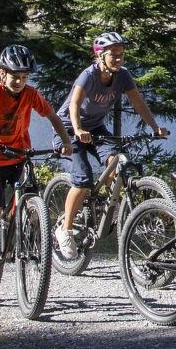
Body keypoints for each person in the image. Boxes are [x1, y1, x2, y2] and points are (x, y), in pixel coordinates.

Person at [55, 30, 167, 259]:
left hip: (96, 129)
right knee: (82, 180)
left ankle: (106, 209)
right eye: (113, 54)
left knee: (116, 164)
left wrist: (155, 127)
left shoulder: (123, 76)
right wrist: (78, 129)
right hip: (68, 129)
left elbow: (138, 103)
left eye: (121, 54)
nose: (118, 58)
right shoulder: (89, 75)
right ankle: (65, 230)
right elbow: (74, 104)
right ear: (100, 55)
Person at [0, 43, 71, 282]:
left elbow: (52, 116)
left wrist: (66, 140)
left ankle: (25, 233)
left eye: (24, 77)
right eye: (15, 76)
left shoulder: (31, 94)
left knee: (31, 195)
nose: (20, 82)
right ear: (2, 74)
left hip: (18, 155)